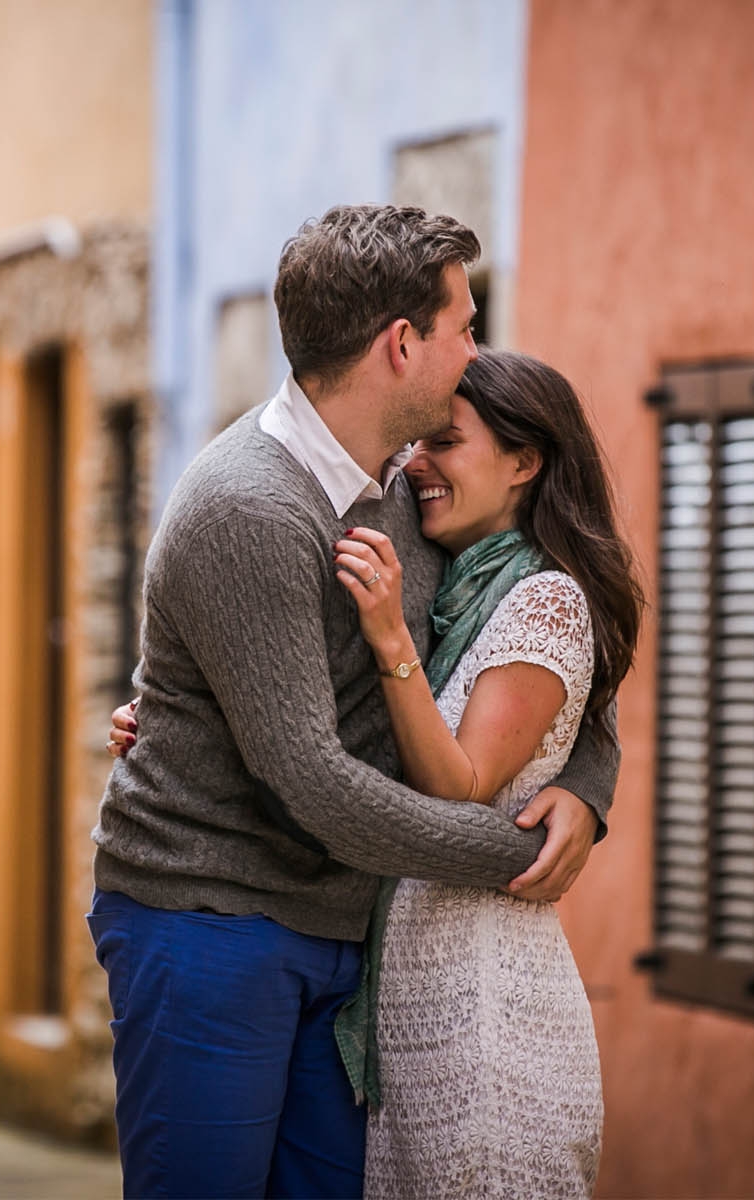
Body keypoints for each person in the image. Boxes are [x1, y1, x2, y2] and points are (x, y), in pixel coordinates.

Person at [87, 204, 620, 1198]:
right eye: (465, 325)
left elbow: (546, 620)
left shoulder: (407, 481)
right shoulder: (250, 505)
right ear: (403, 343)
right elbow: (318, 787)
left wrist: (589, 784)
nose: (475, 350)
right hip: (212, 918)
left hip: (341, 940)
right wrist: (517, 854)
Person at [332, 349, 643, 1197]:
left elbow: (459, 784)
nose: (417, 465)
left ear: (523, 462)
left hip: (488, 1012)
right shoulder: (458, 580)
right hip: (419, 999)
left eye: (445, 442)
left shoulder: (544, 597)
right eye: (415, 443)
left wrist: (392, 638)